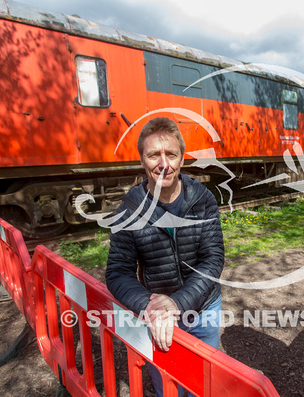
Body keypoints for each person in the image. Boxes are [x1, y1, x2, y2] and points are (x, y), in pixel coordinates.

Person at [106, 117, 224, 396]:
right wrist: (151, 309)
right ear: (142, 161)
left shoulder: (202, 199)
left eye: (170, 154)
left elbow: (213, 258)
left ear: (182, 159)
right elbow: (118, 272)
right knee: (167, 386)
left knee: (203, 384)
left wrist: (177, 302)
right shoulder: (128, 210)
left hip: (204, 307)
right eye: (153, 155)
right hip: (157, 315)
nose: (163, 163)